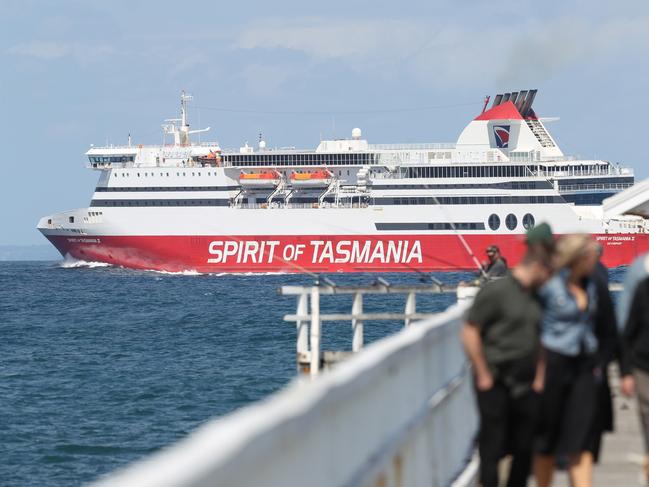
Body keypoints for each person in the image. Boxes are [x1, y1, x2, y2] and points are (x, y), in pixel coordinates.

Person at [462, 244, 553, 487]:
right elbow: (470, 331)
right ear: (536, 266)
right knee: (492, 447)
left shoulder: (539, 296)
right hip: (495, 380)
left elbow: (543, 337)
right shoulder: (495, 293)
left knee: (524, 449)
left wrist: (541, 376)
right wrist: (482, 373)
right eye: (546, 272)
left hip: (526, 384)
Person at [534, 234, 601, 487]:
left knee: (582, 440)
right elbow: (536, 330)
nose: (596, 255)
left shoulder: (592, 285)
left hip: (584, 367)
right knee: (547, 441)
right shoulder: (550, 288)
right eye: (590, 253)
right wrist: (538, 374)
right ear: (578, 258)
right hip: (554, 364)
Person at [619, 255, 649, 483]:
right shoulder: (641, 280)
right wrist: (626, 370)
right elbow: (627, 327)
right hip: (644, 365)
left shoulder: (638, 271)